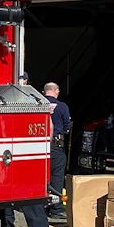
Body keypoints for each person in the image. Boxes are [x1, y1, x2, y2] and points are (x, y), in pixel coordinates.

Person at [0, 73, 56, 227]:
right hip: (24, 148)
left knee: (4, 192)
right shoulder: (31, 99)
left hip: (3, 149)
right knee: (29, 190)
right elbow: (49, 127)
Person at [42, 82, 71, 219]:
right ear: (55, 91)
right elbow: (67, 126)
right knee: (57, 176)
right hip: (55, 145)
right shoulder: (62, 106)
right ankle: (56, 208)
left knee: (39, 175)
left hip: (38, 145)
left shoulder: (37, 104)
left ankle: (38, 204)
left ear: (44, 92)